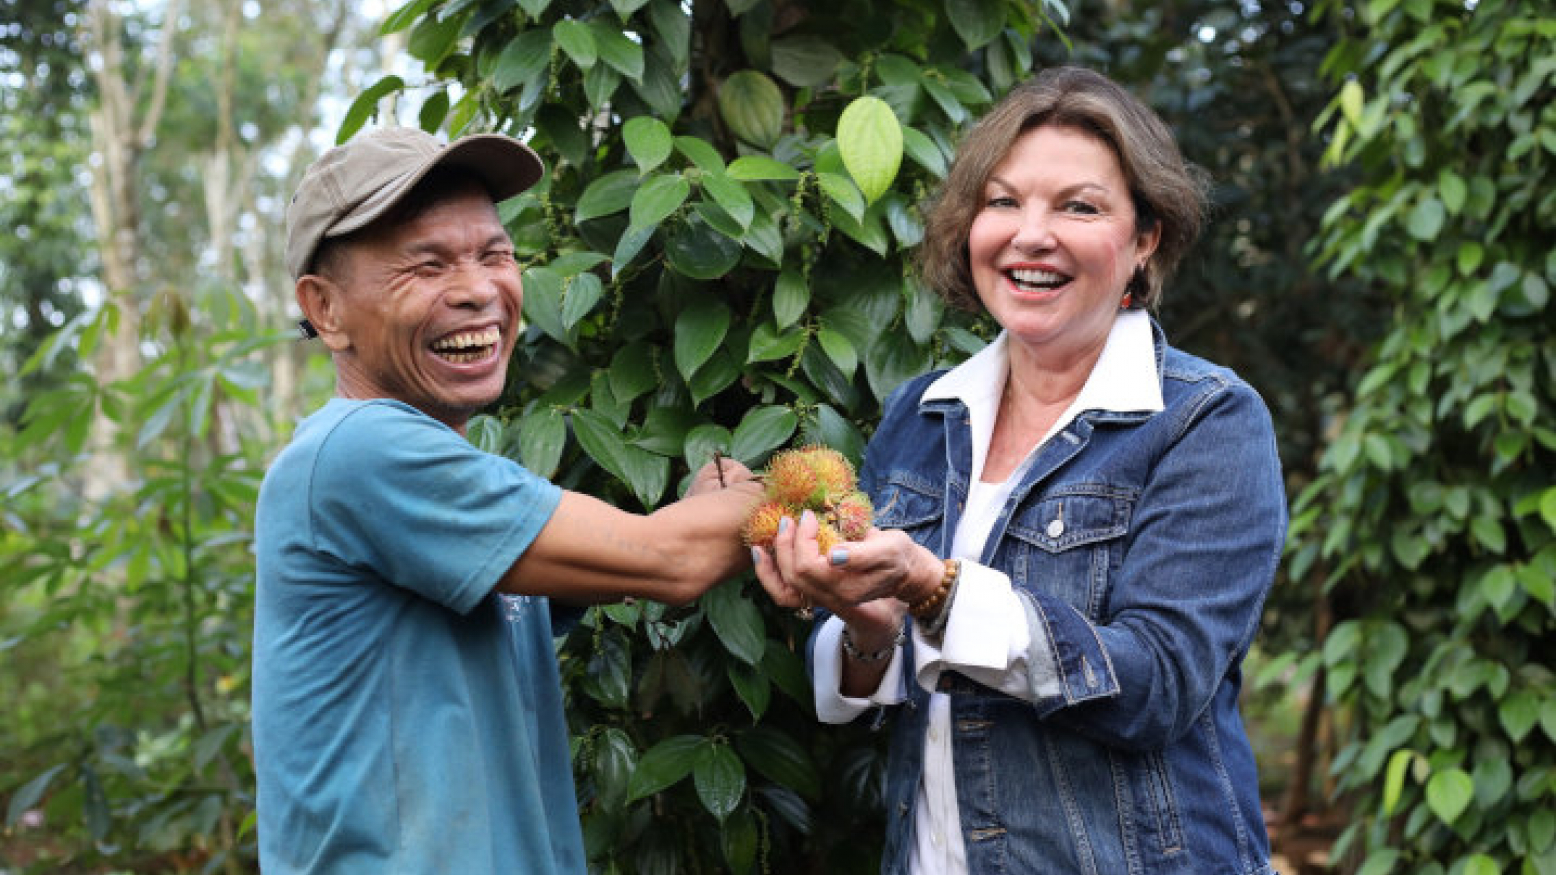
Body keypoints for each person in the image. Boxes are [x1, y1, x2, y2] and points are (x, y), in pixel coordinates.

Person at [753, 66, 1287, 874]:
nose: (1030, 235)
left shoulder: (1207, 420)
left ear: (1146, 237)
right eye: (1002, 201)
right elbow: (881, 679)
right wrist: (867, 626)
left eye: (1079, 206)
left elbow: (1160, 681)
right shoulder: (921, 413)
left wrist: (936, 588)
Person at [253, 126, 765, 874]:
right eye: (425, 265)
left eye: (494, 254)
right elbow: (670, 559)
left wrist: (683, 518)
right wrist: (760, 496)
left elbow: (631, 561)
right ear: (325, 310)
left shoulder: (448, 479)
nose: (477, 289)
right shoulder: (360, 452)